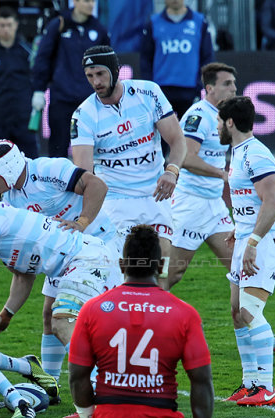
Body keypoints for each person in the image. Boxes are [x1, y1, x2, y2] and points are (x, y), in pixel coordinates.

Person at [68, 224, 213, 418]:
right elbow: (201, 383)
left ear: (122, 264)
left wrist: (98, 416)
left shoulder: (93, 310)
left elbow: (78, 379)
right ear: (160, 265)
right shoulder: (183, 313)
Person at [171, 62, 275, 353]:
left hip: (215, 206)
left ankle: (258, 328)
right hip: (191, 205)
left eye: (234, 85)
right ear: (210, 88)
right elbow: (185, 156)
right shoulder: (198, 116)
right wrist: (221, 173)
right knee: (173, 273)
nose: (233, 89)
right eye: (227, 84)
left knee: (243, 266)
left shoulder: (229, 123)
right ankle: (138, 322)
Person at [0, 138, 116, 385]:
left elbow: (97, 185)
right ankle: (51, 384)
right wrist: (0, 252)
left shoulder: (47, 170)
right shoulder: (9, 200)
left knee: (87, 318)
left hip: (98, 244)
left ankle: (100, 386)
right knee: (49, 314)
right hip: (64, 256)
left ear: (7, 169)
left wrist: (81, 223)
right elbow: (24, 270)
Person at [0, 202, 122, 384]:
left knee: (63, 321)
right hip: (74, 261)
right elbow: (24, 277)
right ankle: (52, 383)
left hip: (84, 258)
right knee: (62, 319)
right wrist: (5, 315)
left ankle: (100, 386)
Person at [71, 45, 186, 290]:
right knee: (122, 278)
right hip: (114, 201)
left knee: (162, 274)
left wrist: (171, 170)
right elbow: (83, 173)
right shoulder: (84, 115)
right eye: (90, 76)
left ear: (116, 71)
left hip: (155, 195)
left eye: (100, 74)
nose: (96, 82)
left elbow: (177, 140)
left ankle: (154, 327)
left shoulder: (149, 93)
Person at [218, 96, 275, 406]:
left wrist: (254, 242)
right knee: (236, 313)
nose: (218, 127)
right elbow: (253, 201)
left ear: (230, 122)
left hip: (264, 241)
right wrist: (241, 227)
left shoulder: (256, 155)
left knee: (249, 311)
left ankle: (267, 388)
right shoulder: (239, 153)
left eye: (221, 121)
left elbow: (272, 203)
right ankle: (249, 383)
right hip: (245, 235)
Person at [31, 0, 109, 157]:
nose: (91, 5)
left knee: (94, 151)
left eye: (93, 1)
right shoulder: (59, 24)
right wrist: (39, 89)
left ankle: (92, 182)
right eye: (86, 1)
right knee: (58, 149)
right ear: (75, 1)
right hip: (62, 98)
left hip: (90, 101)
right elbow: (43, 57)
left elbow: (108, 63)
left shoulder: (99, 29)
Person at [0, 7, 38, 158]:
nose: (6, 29)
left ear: (16, 25)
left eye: (9, 25)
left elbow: (37, 80)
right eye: (2, 25)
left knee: (30, 161)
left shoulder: (28, 53)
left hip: (24, 119)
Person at [139, 0, 215, 120]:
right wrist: (150, 87)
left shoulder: (200, 21)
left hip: (190, 90)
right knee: (163, 136)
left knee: (190, 135)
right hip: (161, 91)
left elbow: (207, 57)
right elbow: (146, 59)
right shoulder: (153, 22)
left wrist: (199, 84)